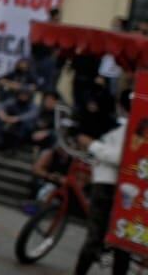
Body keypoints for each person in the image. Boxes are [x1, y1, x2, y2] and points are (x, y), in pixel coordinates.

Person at [75, 88, 133, 275]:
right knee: (119, 241)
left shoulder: (129, 128)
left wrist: (91, 144)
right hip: (120, 186)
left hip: (111, 186)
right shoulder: (122, 125)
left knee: (98, 237)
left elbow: (119, 157)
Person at [0, 85, 39, 151]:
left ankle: (15, 147)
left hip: (23, 129)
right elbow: (0, 106)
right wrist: (2, 114)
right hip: (10, 124)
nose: (23, 97)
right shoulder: (13, 101)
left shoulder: (32, 106)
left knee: (25, 124)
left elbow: (31, 115)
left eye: (25, 95)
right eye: (22, 94)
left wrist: (17, 118)